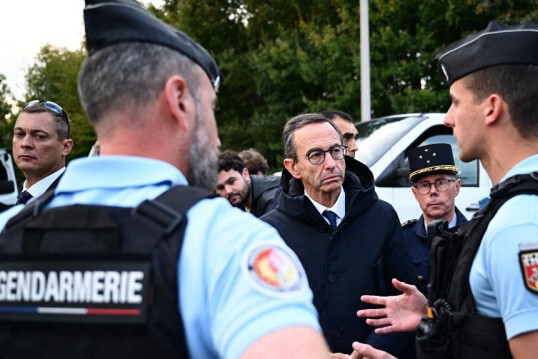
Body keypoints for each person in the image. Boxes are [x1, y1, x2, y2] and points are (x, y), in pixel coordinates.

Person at [0, 0, 329, 358]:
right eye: (211, 108)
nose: (217, 139)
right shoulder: (224, 241)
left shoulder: (8, 229)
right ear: (180, 101)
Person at [352, 21, 538, 359]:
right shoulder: (530, 203)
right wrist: (430, 315)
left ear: (491, 108)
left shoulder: (525, 225)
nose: (448, 118)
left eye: (456, 102)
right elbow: (492, 335)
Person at [260, 113, 419, 358]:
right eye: (316, 155)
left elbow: (404, 300)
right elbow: (267, 319)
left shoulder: (382, 217)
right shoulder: (270, 232)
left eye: (336, 150)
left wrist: (368, 352)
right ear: (293, 167)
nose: (332, 163)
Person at [401, 144, 467, 290]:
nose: (433, 191)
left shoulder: (474, 235)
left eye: (441, 182)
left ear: (456, 187)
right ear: (415, 194)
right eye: (424, 185)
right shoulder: (402, 240)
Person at [12, 100, 73, 205]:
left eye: (40, 136)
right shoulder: (21, 199)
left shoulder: (77, 202)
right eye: (20, 134)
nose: (25, 143)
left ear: (65, 147)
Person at [216, 149, 280, 217]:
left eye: (231, 182)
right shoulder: (246, 202)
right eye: (221, 187)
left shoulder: (272, 200)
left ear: (245, 174)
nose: (228, 191)